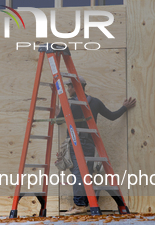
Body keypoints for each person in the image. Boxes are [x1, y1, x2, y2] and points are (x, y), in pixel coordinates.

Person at [57, 78, 135, 216]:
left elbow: (58, 121)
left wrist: (57, 111)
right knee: (84, 174)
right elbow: (111, 116)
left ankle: (80, 204)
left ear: (76, 87)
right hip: (89, 144)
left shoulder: (68, 103)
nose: (68, 89)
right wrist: (124, 107)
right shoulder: (95, 102)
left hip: (75, 143)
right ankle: (86, 203)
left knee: (77, 174)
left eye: (69, 86)